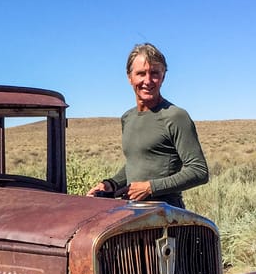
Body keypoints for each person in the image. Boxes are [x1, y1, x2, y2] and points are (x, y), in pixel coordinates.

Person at [88, 43, 208, 208]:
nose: (148, 81)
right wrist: (112, 184)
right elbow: (137, 163)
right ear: (129, 77)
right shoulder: (127, 118)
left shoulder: (175, 116)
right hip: (132, 212)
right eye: (141, 73)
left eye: (154, 73)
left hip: (168, 215)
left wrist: (150, 188)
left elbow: (199, 171)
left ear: (163, 76)